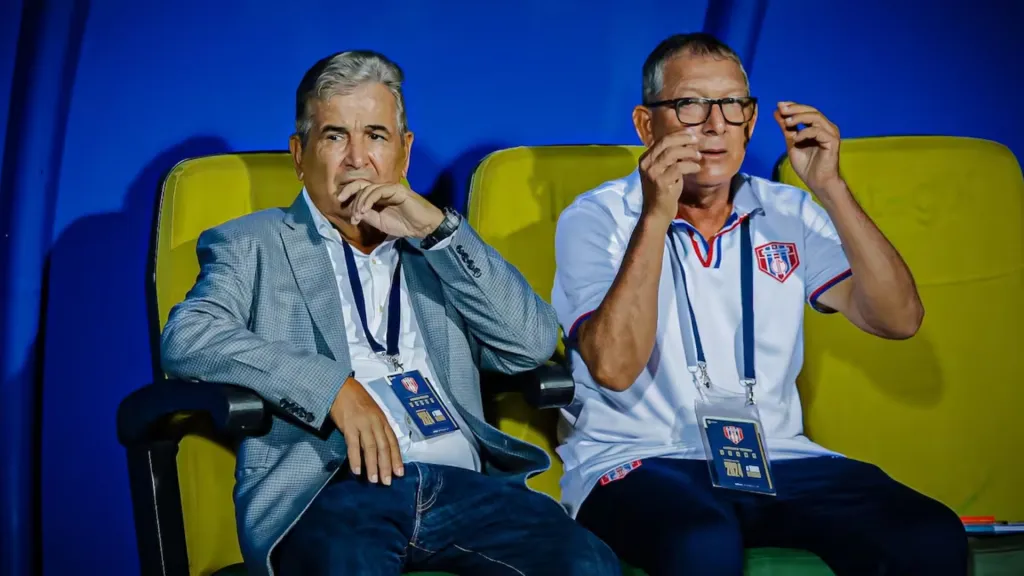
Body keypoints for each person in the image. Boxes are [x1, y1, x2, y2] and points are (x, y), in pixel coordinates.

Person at [161, 50, 621, 576]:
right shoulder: (253, 243)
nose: (357, 158)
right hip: (332, 490)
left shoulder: (440, 249)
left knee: (586, 563)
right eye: (335, 136)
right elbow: (189, 337)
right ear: (299, 153)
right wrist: (332, 388)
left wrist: (436, 233)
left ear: (403, 153)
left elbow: (532, 343)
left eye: (376, 136)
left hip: (464, 489)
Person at [550, 33, 968, 576]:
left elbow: (899, 320)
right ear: (646, 125)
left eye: (733, 105)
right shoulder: (598, 217)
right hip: (639, 458)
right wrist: (657, 214)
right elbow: (613, 367)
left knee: (929, 536)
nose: (716, 124)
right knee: (701, 544)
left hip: (778, 456)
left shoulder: (789, 210)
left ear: (750, 120)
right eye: (691, 105)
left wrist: (831, 188)